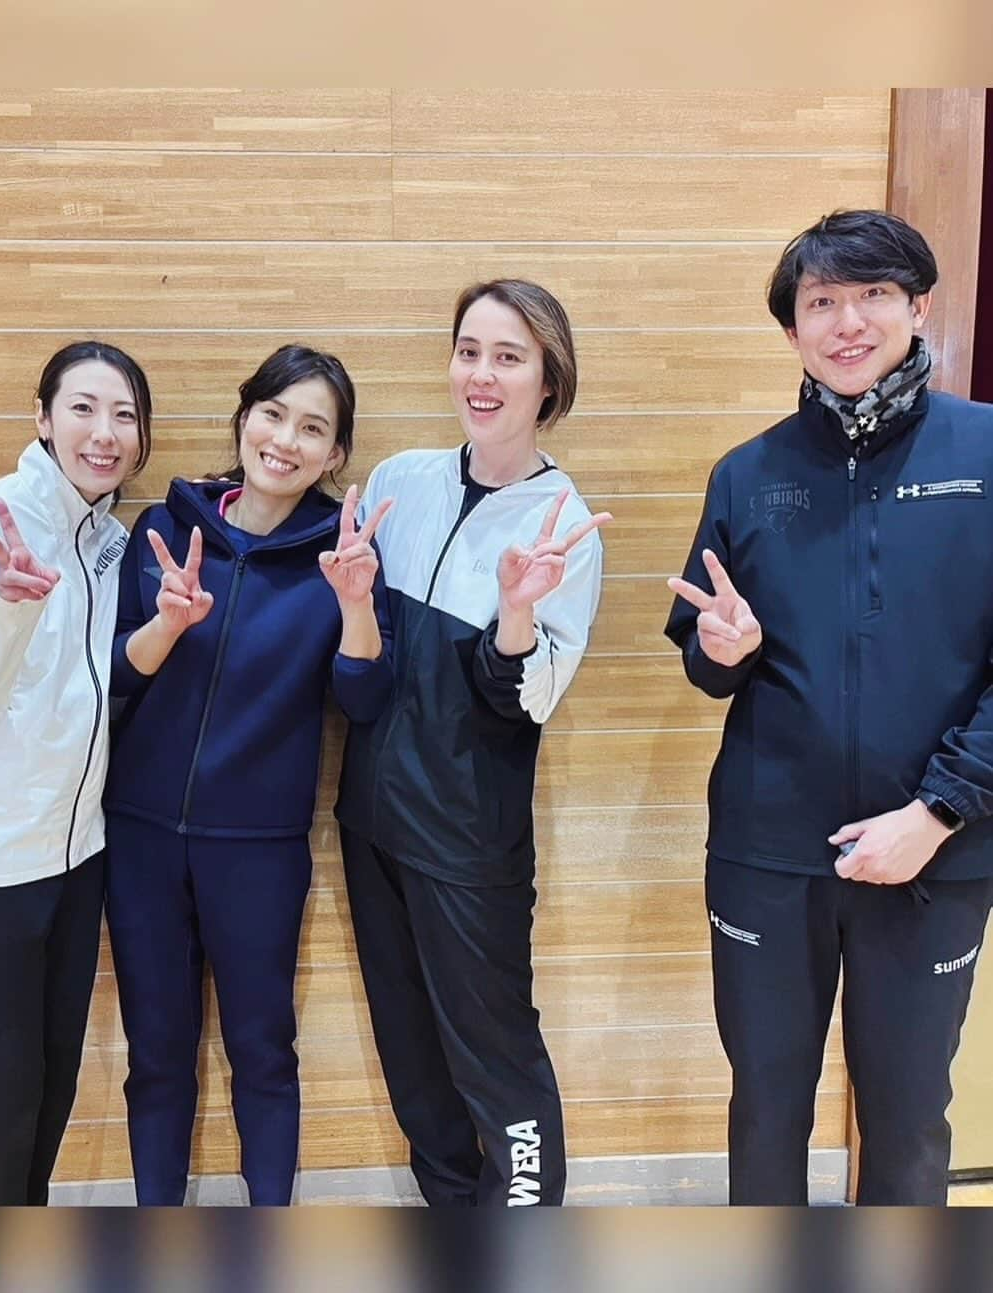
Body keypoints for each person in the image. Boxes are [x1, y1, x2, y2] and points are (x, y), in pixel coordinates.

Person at [665, 209, 993, 1206]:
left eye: (870, 296)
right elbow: (705, 651)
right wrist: (719, 651)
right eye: (819, 302)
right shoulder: (749, 474)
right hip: (766, 856)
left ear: (915, 306)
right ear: (791, 328)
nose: (845, 322)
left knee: (904, 1119)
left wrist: (934, 814)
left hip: (933, 852)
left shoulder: (984, 451)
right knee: (764, 1108)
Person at [336, 279, 611, 1207]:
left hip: (469, 842)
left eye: (508, 356)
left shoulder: (559, 521)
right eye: (468, 351)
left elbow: (524, 704)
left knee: (495, 1060)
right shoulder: (399, 481)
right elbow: (361, 684)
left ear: (547, 381)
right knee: (413, 1059)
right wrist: (352, 606)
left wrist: (520, 614)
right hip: (372, 823)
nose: (481, 375)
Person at [103, 345, 393, 1206]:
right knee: (155, 1056)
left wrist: (353, 608)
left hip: (259, 849)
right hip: (142, 838)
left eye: (314, 429)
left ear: (335, 455)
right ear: (244, 417)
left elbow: (366, 698)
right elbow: (116, 676)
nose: (286, 440)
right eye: (274, 413)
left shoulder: (339, 557)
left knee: (264, 1051)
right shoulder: (164, 529)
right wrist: (166, 622)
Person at [0, 339, 153, 1205]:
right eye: (82, 407)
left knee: (48, 1094)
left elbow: (90, 686)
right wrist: (3, 612)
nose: (104, 432)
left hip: (78, 860)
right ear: (42, 418)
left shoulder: (104, 540)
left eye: (124, 415)